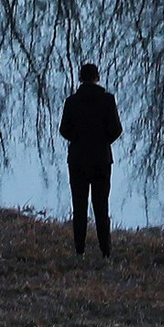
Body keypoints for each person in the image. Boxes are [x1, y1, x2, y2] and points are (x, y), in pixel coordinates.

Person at [58, 61, 122, 258]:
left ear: (80, 78)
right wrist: (103, 141)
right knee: (101, 205)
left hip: (77, 160)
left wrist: (78, 140)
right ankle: (105, 251)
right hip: (101, 159)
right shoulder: (108, 100)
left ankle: (80, 250)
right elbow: (116, 129)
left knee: (79, 206)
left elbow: (64, 130)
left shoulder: (72, 102)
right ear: (97, 77)